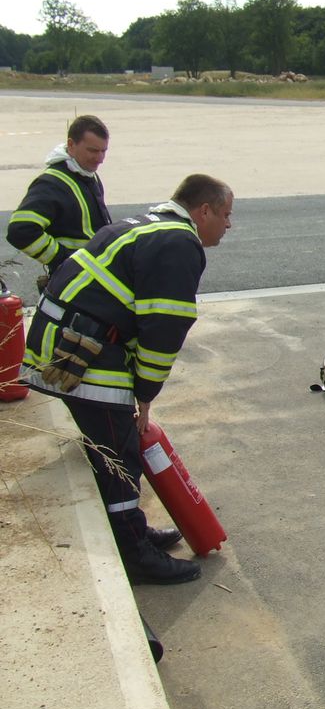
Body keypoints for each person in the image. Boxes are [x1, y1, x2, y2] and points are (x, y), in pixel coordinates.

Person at [19, 174, 234, 585]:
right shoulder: (178, 243)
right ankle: (134, 554)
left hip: (65, 346)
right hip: (83, 358)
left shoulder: (144, 225)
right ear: (203, 210)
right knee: (119, 457)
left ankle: (134, 532)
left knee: (116, 447)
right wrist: (145, 394)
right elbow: (164, 328)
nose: (228, 225)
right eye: (225, 215)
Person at [6, 115, 113, 284]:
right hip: (72, 281)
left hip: (91, 277)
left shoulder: (88, 175)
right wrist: (62, 259)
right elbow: (20, 230)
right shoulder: (51, 183)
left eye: (104, 151)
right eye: (93, 150)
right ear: (71, 145)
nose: (100, 158)